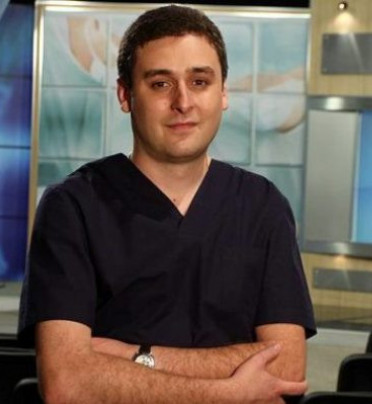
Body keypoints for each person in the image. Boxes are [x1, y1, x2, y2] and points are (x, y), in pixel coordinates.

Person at [18, 5, 316, 404]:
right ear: (125, 95)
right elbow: (66, 382)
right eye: (160, 84)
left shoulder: (263, 206)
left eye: (199, 82)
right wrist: (229, 392)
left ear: (223, 93)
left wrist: (132, 356)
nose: (183, 102)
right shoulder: (72, 207)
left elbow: (287, 368)